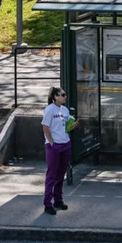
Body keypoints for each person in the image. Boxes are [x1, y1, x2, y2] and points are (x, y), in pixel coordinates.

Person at [41, 86, 74, 215]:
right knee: (51, 175)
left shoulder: (64, 110)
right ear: (55, 96)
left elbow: (66, 127)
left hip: (65, 144)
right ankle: (47, 204)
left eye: (65, 95)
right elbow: (45, 127)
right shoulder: (49, 110)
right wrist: (52, 143)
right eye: (63, 95)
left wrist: (72, 126)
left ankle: (58, 200)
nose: (65, 97)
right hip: (54, 146)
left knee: (61, 174)